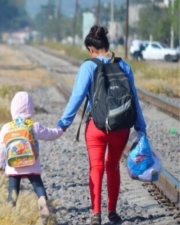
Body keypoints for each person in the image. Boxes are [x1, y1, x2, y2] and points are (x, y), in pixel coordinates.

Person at [57, 26, 147, 225]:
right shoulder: (124, 66)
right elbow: (134, 99)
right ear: (107, 46)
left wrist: (64, 123)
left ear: (91, 49)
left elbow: (77, 97)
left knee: (96, 168)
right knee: (113, 167)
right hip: (121, 127)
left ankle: (96, 213)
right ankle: (112, 212)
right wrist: (141, 127)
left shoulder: (88, 66)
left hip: (96, 127)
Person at [0, 92, 63, 225]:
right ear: (31, 108)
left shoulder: (7, 127)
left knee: (13, 191)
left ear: (13, 109)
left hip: (13, 166)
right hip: (32, 165)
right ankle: (42, 200)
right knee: (38, 186)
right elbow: (51, 134)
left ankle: (10, 212)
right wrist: (61, 128)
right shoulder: (34, 125)